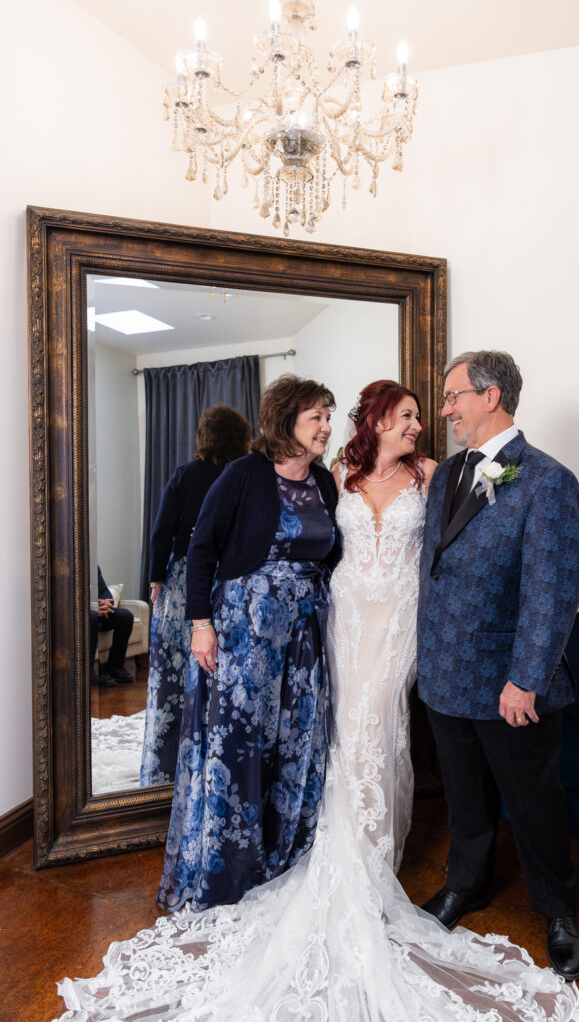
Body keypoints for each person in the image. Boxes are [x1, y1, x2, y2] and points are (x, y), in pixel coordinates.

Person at [56, 379, 579, 1022]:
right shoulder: (338, 473)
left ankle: (429, 874)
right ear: (377, 422)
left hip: (397, 629)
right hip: (336, 624)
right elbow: (247, 547)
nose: (424, 422)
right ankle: (346, 855)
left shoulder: (438, 474)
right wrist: (205, 618)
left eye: (434, 408)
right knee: (337, 735)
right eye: (409, 415)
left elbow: (474, 561)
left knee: (379, 729)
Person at [418, 351, 579, 982]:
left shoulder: (548, 480)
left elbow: (554, 588)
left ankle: (558, 909)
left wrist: (527, 677)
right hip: (444, 671)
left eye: (452, 395)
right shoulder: (446, 475)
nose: (445, 409)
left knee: (534, 799)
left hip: (506, 679)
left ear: (491, 397)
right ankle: (467, 884)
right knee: (465, 796)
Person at [157, 375, 340, 911]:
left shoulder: (325, 483)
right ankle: (229, 875)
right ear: (287, 421)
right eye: (317, 418)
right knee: (239, 750)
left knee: (293, 746)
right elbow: (202, 550)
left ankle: (281, 864)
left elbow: (330, 553)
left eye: (329, 417)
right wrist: (201, 624)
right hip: (243, 634)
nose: (327, 427)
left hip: (303, 637)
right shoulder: (243, 474)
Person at [140, 403, 251, 786]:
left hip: (185, 580)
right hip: (228, 581)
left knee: (172, 674)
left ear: (204, 437)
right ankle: (212, 761)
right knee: (216, 674)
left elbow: (161, 531)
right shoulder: (245, 476)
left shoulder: (185, 475)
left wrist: (156, 580)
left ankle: (166, 765)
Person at [89, 566, 134, 687]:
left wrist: (106, 603)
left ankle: (115, 666)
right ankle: (89, 671)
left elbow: (104, 591)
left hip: (97, 612)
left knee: (126, 616)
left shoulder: (92, 566)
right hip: (76, 615)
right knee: (91, 618)